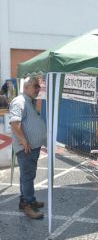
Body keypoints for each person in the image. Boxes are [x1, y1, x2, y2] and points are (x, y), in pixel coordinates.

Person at [9, 77, 47, 219]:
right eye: (35, 86)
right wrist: (24, 141)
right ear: (25, 87)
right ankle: (28, 204)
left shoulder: (28, 101)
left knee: (27, 176)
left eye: (38, 86)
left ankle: (25, 200)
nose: (38, 89)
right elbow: (14, 123)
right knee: (28, 176)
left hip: (31, 147)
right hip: (26, 148)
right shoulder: (19, 101)